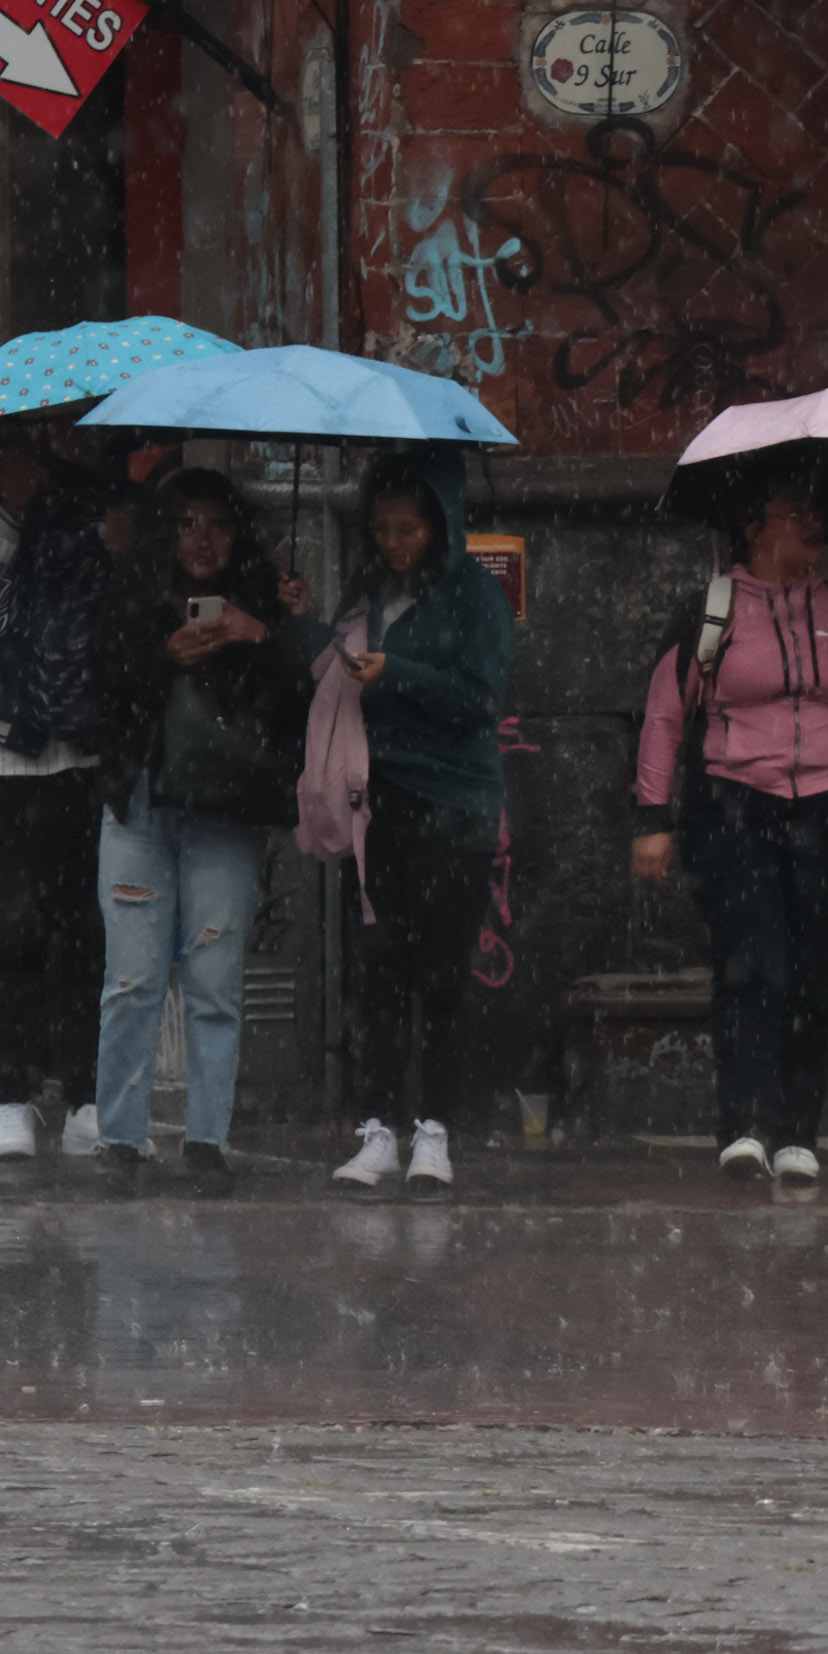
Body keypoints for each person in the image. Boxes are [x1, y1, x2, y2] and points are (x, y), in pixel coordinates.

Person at [631, 482, 828, 1186]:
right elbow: (665, 716)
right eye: (797, 515)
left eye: (819, 513)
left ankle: (797, 1131)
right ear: (756, 528)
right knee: (752, 962)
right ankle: (745, 1123)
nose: (814, 526)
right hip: (736, 807)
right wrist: (651, 818)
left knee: (813, 968)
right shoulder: (713, 609)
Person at [0, 420, 138, 1162]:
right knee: (5, 929)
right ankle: (8, 1095)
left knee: (81, 931)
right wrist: (6, 508)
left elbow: (116, 599)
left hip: (75, 745)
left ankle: (85, 1092)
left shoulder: (88, 502)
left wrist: (109, 536)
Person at [90, 468, 315, 1198]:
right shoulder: (130, 596)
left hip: (226, 813)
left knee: (216, 980)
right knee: (132, 978)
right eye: (186, 523)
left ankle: (206, 1138)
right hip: (141, 808)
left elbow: (304, 699)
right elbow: (94, 696)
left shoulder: (267, 599)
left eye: (216, 523)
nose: (201, 539)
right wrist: (160, 658)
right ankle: (120, 1138)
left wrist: (264, 635)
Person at [316, 447, 516, 1199]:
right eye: (382, 530)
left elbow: (479, 696)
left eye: (408, 529)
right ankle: (377, 1125)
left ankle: (434, 1127)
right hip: (380, 801)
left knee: (441, 973)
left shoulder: (474, 597)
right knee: (379, 967)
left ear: (440, 524)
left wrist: (397, 674)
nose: (394, 544)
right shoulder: (370, 589)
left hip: (455, 806)